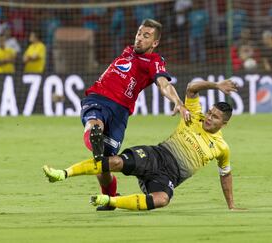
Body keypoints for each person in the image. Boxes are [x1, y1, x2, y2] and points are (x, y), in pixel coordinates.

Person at [43, 79, 245, 211]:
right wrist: (216, 85)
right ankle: (62, 173)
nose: (208, 118)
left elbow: (225, 174)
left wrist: (231, 205)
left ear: (224, 124)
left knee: (162, 200)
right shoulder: (193, 115)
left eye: (215, 117)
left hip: (169, 177)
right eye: (210, 112)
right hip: (156, 156)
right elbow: (192, 87)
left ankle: (110, 201)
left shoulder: (222, 148)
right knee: (114, 161)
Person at [79, 19, 190, 211]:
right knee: (94, 124)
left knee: (103, 164)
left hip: (120, 113)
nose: (139, 38)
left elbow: (163, 83)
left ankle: (109, 197)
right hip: (99, 98)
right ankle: (94, 134)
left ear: (154, 43)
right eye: (139, 33)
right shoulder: (128, 50)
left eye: (146, 36)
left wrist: (178, 101)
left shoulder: (154, 61)